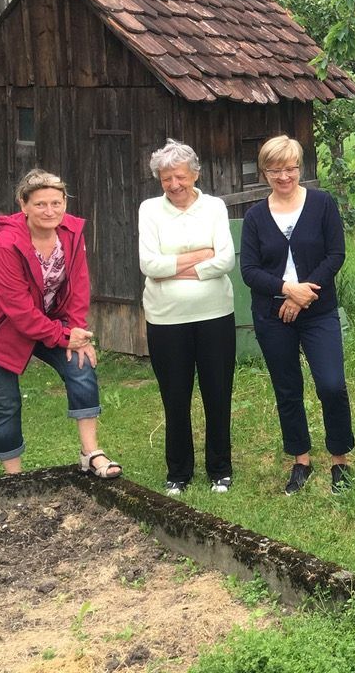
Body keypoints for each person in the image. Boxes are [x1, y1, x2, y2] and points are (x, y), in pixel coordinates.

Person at [0, 169, 120, 478]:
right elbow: (19, 311)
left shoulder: (71, 233)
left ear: (64, 203)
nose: (50, 211)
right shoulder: (6, 247)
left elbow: (78, 286)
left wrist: (76, 331)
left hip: (46, 323)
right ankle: (14, 477)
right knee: (5, 405)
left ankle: (90, 453)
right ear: (24, 205)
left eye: (56, 203)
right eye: (40, 204)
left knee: (81, 366)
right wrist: (63, 336)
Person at [240, 135, 354, 495]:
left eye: (289, 168)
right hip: (273, 315)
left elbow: (335, 255)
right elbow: (249, 270)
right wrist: (287, 289)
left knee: (331, 384)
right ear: (265, 172)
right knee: (287, 387)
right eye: (275, 170)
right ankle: (300, 460)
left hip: (318, 310)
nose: (283, 176)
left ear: (299, 168)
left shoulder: (322, 204)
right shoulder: (256, 216)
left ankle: (340, 459)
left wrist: (303, 294)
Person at [138, 139, 237, 496]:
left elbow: (225, 259)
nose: (174, 184)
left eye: (180, 176)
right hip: (165, 318)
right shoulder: (149, 210)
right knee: (175, 396)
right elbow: (148, 264)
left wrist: (173, 268)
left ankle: (220, 468)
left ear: (195, 174)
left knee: (217, 392)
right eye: (166, 178)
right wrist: (200, 256)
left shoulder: (214, 207)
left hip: (215, 314)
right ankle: (178, 471)